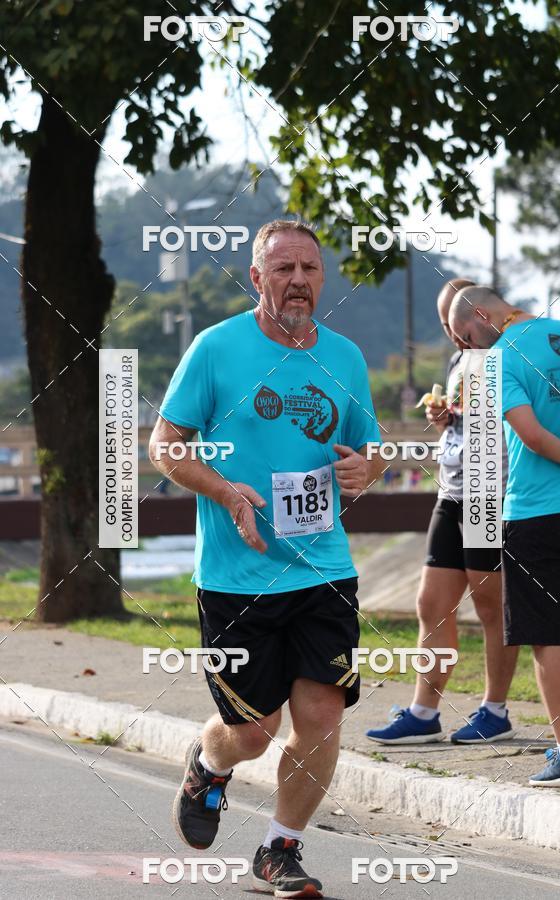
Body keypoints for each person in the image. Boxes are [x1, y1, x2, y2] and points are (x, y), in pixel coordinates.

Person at [150, 219, 383, 897]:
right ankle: (209, 764)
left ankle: (280, 848)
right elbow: (164, 446)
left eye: (309, 268)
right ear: (257, 278)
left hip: (323, 568)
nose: (298, 281)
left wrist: (366, 469)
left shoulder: (345, 358)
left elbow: (368, 448)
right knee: (252, 731)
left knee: (323, 717)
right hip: (238, 576)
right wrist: (226, 492)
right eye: (283, 269)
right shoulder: (216, 349)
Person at [449, 285, 560, 787]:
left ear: (480, 315)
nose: (468, 349)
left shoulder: (497, 360)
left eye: (466, 337)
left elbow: (530, 435)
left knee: (545, 635)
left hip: (537, 511)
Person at [366, 278, 519, 746]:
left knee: (491, 606)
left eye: (457, 326)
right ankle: (423, 712)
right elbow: (463, 423)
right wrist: (444, 419)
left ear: (476, 316)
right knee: (431, 603)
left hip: (489, 492)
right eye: (444, 325)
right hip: (450, 491)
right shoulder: (459, 359)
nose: (452, 335)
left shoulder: (506, 354)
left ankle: (495, 710)